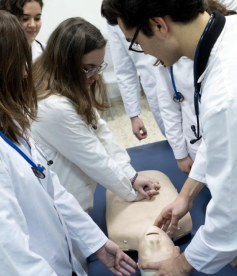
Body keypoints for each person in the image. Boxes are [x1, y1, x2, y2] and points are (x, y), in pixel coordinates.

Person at [101, 0, 237, 275]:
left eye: (137, 43)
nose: (144, 52)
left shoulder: (230, 92)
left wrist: (181, 264)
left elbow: (232, 216)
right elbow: (223, 141)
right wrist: (186, 195)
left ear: (158, 25)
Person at [0, 7, 136, 276]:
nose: (26, 73)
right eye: (18, 62)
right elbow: (7, 256)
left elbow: (50, 187)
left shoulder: (0, 116)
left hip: (55, 256)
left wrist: (96, 243)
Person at [31, 17, 160, 214]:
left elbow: (100, 130)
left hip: (76, 199)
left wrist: (131, 175)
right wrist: (131, 190)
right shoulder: (53, 107)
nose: (96, 75)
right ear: (65, 62)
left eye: (98, 66)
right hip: (64, 208)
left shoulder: (67, 85)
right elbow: (94, 158)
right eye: (88, 68)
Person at [156, 0, 237, 175]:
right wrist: (180, 154)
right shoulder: (167, 59)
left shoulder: (226, 48)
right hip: (195, 143)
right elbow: (168, 109)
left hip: (231, 141)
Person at [107, 24, 165, 140]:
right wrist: (133, 115)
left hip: (187, 78)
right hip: (155, 87)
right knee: (175, 141)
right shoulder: (112, 18)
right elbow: (124, 70)